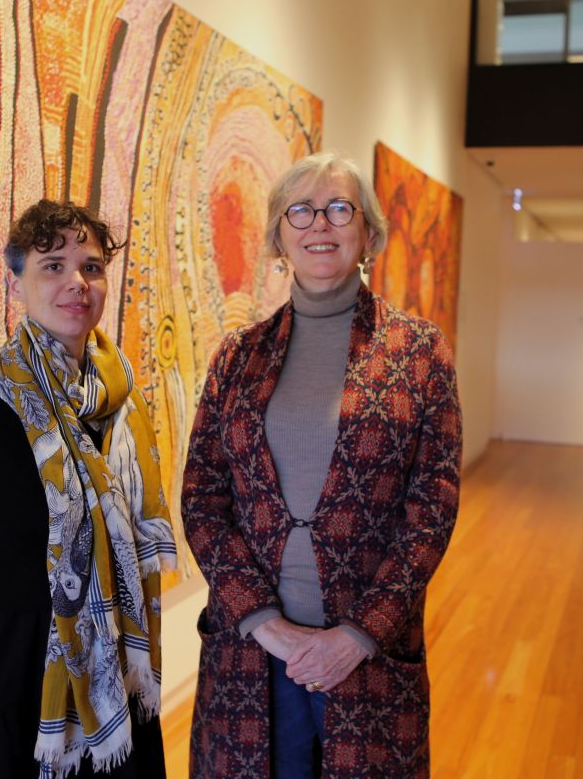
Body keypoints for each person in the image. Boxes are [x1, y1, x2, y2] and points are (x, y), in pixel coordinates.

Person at [182, 152, 462, 778]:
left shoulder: (419, 353)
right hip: (251, 654)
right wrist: (264, 624)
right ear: (280, 235)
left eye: (340, 209)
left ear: (367, 233)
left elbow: (431, 510)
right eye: (299, 211)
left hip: (367, 656)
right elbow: (203, 499)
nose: (320, 226)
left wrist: (359, 634)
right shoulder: (237, 356)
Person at [0, 199, 177, 779]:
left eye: (92, 267)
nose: (76, 282)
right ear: (16, 283)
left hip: (110, 666)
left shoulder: (121, 407)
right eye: (53, 265)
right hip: (0, 667)